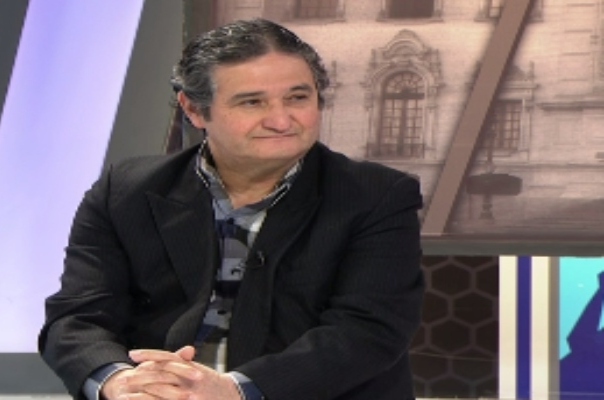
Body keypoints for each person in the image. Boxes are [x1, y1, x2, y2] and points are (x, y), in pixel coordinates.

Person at [38, 18, 424, 400]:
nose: (281, 120)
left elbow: (368, 330)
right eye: (252, 102)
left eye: (298, 98)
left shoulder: (378, 196)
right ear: (194, 109)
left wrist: (235, 390)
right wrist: (119, 382)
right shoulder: (126, 191)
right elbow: (77, 317)